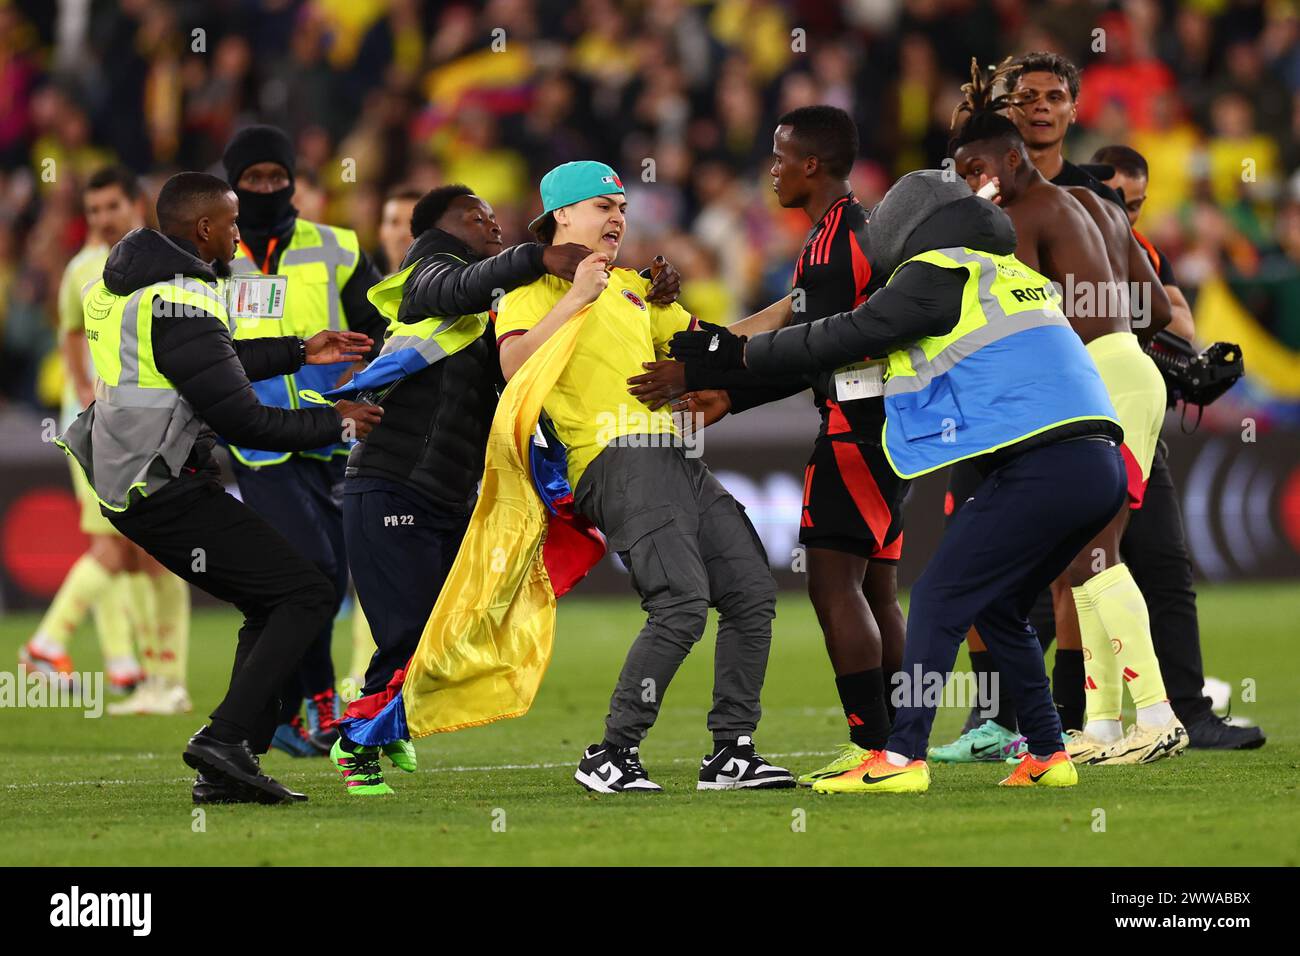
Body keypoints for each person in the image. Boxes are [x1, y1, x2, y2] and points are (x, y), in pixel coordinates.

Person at [673, 169, 1127, 793]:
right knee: (994, 604)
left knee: (939, 596)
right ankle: (1048, 752)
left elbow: (845, 333)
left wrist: (728, 358)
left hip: (1041, 463)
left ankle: (900, 757)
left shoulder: (939, 272)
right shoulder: (1014, 274)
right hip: (1094, 459)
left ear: (910, 230)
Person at [333, 183, 678, 794]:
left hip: (447, 493)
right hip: (390, 487)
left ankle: (388, 724)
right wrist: (538, 256)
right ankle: (358, 743)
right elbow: (460, 286)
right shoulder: (426, 276)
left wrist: (640, 293)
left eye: (496, 217)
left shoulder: (500, 298)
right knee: (412, 633)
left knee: (445, 631)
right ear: (439, 228)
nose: (493, 224)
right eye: (478, 216)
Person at [57, 172, 381, 804]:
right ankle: (226, 741)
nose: (239, 234)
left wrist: (296, 350)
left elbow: (206, 358)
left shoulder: (122, 282)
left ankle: (227, 756)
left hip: (133, 473)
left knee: (277, 598)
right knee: (306, 593)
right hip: (164, 481)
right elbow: (242, 418)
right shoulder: (183, 298)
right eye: (231, 224)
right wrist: (336, 421)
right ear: (203, 229)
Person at [627, 106, 910, 785]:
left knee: (833, 582)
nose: (772, 170)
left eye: (781, 158)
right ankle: (900, 742)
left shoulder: (840, 245)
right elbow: (789, 334)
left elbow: (819, 352)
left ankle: (876, 749)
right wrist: (723, 387)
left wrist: (701, 373)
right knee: (874, 584)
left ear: (811, 164)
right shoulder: (841, 236)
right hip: (885, 421)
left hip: (856, 424)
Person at [495, 161, 792, 793]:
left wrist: (795, 305)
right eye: (603, 206)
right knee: (681, 603)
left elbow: (717, 345)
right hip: (614, 459)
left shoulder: (635, 289)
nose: (617, 218)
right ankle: (611, 753)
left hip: (675, 457)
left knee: (749, 594)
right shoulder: (529, 292)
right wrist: (577, 292)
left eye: (621, 207)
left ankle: (731, 753)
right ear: (562, 217)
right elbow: (515, 367)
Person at [949, 80, 1187, 766]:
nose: (971, 186)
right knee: (1083, 558)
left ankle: (1159, 716)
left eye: (974, 172)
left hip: (1096, 382)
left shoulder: (1023, 214)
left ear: (1009, 159)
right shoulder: (1096, 204)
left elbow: (998, 311)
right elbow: (1158, 311)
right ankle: (1106, 726)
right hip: (1128, 367)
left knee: (1093, 557)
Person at [1089, 143, 1265, 750]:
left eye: (1137, 204)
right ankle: (1055, 718)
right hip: (1075, 424)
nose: (1129, 215)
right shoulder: (1065, 234)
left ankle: (1186, 713)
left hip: (1138, 427)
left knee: (1164, 568)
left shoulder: (1134, 247)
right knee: (1069, 579)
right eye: (1119, 201)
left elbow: (1183, 323)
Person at [220, 125, 389, 758]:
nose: (266, 188)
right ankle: (315, 702)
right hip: (258, 439)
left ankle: (288, 711)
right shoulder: (215, 254)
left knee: (330, 574)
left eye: (275, 176)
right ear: (232, 184)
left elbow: (377, 327)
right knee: (313, 570)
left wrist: (364, 374)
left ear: (293, 178)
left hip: (330, 432)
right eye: (253, 179)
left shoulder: (336, 247)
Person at [21, 165, 196, 714]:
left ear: (136, 205)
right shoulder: (80, 269)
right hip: (101, 431)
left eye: (111, 207)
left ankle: (128, 667)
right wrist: (84, 393)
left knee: (142, 549)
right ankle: (145, 675)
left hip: (155, 422)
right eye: (93, 211)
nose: (102, 219)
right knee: (126, 546)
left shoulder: (164, 261)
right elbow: (69, 334)